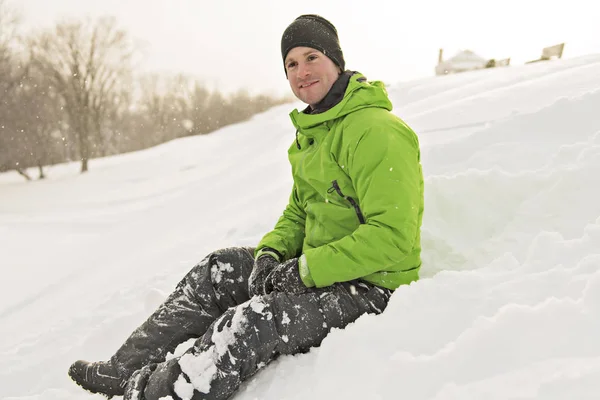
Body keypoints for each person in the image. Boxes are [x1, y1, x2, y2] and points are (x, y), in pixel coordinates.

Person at [68, 14, 424, 400]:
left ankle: (152, 393)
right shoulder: (314, 133)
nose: (301, 71)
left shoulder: (376, 130)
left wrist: (305, 271)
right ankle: (125, 368)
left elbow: (393, 236)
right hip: (322, 268)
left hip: (371, 287)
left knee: (253, 322)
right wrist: (271, 253)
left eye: (311, 57)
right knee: (218, 270)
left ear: (335, 61)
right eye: (291, 64)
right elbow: (300, 213)